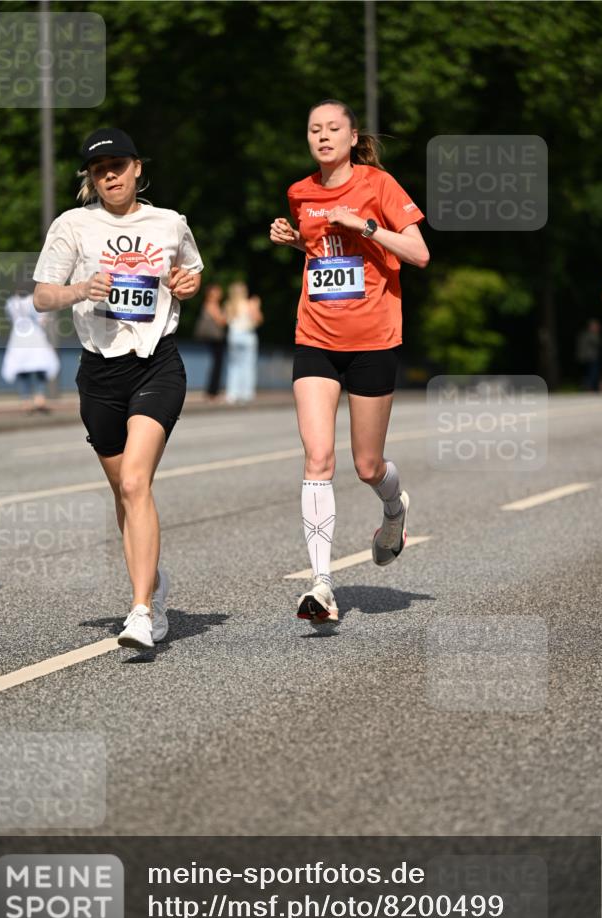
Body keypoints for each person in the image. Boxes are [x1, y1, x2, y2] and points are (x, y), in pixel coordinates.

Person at [33, 128, 203, 649]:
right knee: (123, 493)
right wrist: (82, 288)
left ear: (136, 168)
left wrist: (187, 285)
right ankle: (154, 582)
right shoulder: (73, 226)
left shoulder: (169, 223)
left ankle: (141, 610)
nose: (110, 174)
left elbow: (191, 274)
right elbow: (41, 296)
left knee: (134, 482)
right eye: (99, 168)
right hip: (100, 373)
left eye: (118, 165)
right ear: (90, 177)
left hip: (157, 365)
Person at [269, 100, 429, 624]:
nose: (323, 136)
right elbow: (325, 257)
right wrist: (298, 243)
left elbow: (419, 254)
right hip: (315, 335)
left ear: (352, 134)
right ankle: (321, 585)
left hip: (374, 340)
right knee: (317, 458)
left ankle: (393, 507)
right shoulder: (300, 192)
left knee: (366, 466)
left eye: (333, 128)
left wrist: (363, 224)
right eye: (314, 128)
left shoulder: (379, 184)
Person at [1, 290, 60, 411]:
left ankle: (25, 400)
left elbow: (10, 318)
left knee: (23, 370)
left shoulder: (11, 302)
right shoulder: (34, 301)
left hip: (18, 338)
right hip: (35, 337)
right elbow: (42, 320)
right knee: (40, 368)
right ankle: (40, 398)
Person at [225, 281, 263, 404]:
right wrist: (257, 306)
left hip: (234, 335)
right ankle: (246, 393)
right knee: (248, 365)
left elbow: (225, 321)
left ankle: (232, 393)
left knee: (233, 365)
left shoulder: (229, 305)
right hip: (247, 335)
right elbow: (258, 319)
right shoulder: (250, 304)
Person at [194, 283, 227, 401]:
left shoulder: (211, 304)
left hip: (214, 339)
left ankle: (213, 391)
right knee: (217, 365)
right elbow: (221, 321)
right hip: (215, 339)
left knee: (217, 364)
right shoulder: (212, 305)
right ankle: (212, 391)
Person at [575, 318, 601, 391]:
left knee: (587, 373)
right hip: (591, 357)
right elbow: (598, 342)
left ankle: (586, 386)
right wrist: (596, 333)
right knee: (592, 373)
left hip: (584, 357)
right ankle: (589, 387)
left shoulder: (583, 334)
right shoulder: (591, 334)